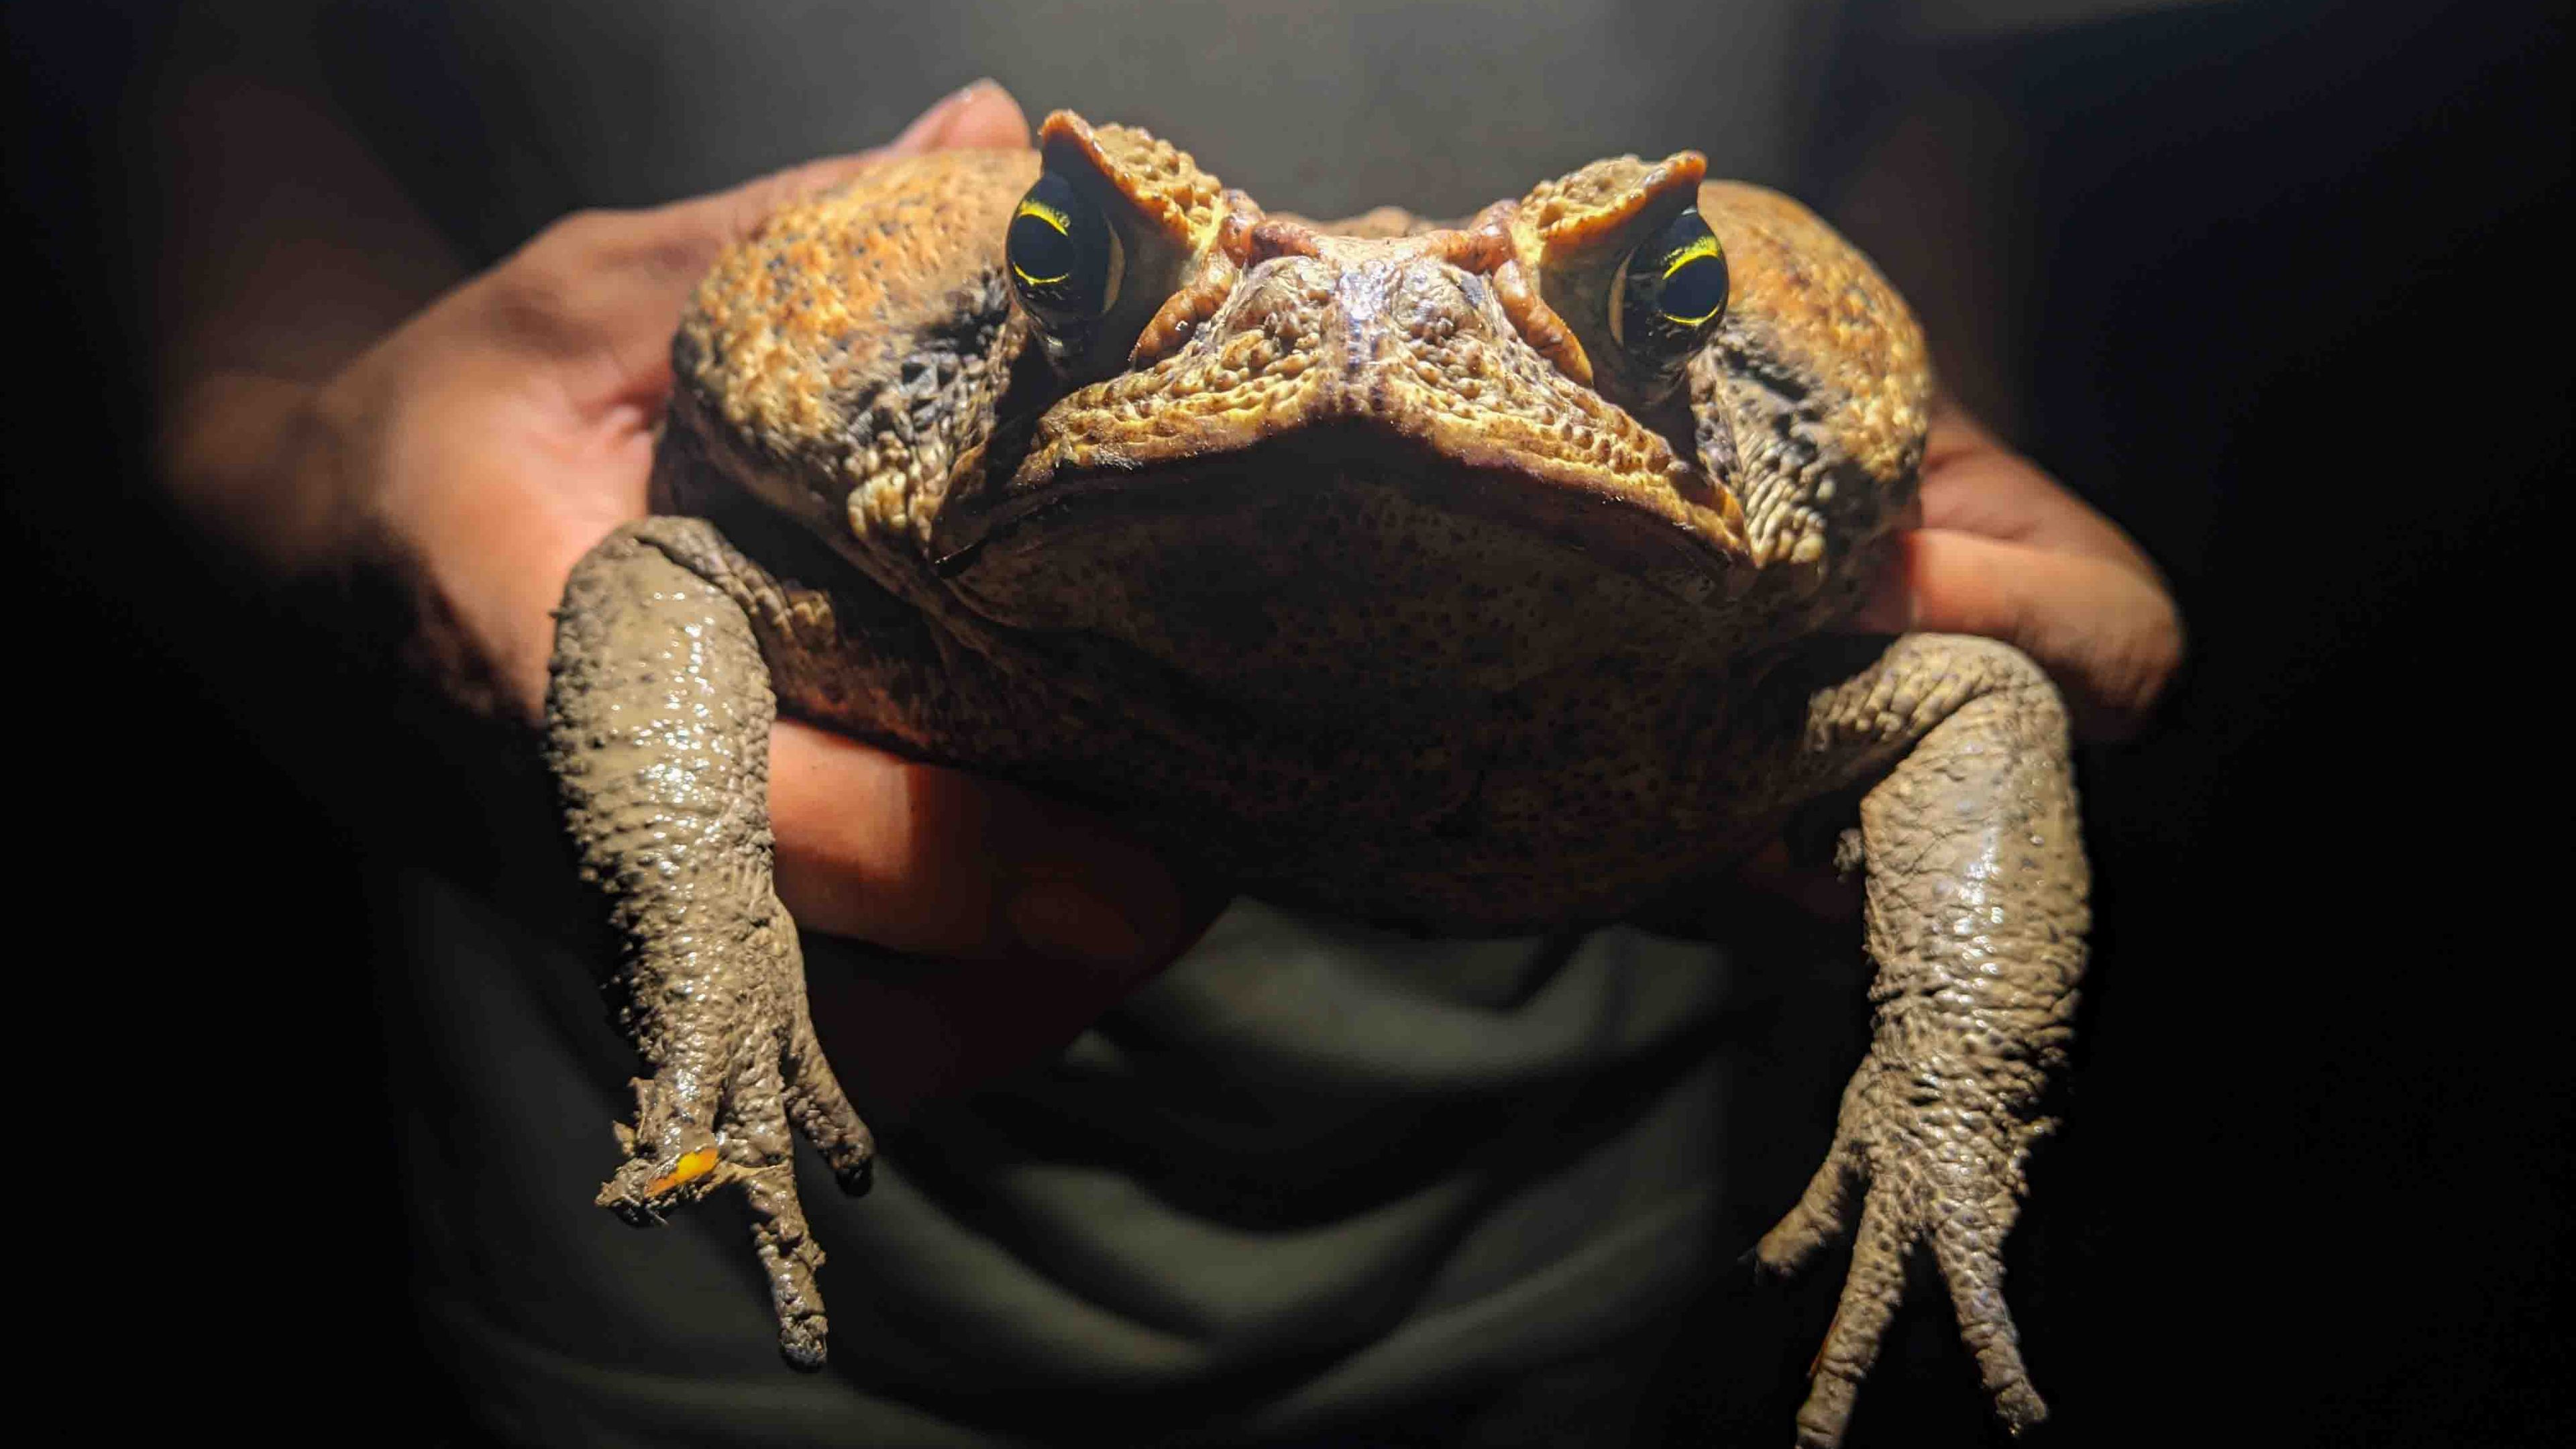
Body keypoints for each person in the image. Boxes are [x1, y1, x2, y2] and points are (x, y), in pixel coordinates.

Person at [153, 12, 2182, 1445]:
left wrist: (1945, 1080)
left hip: (1607, 1220)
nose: (1350, 362)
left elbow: (1970, 700)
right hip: (697, 1278)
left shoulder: (1745, 647)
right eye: (1078, 259)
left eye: (1651, 296)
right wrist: (692, 925)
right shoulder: (930, 600)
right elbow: (660, 587)